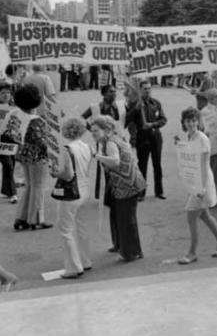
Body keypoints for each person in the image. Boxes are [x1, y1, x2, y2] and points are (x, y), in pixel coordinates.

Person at [175, 108, 217, 264]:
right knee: (205, 216)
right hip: (196, 183)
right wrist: (179, 145)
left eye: (194, 120)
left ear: (198, 121)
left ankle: (192, 252)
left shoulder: (202, 139)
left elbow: (204, 164)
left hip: (202, 183)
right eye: (188, 121)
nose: (191, 123)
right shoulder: (191, 137)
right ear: (184, 123)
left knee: (191, 217)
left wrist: (201, 188)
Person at [91, 115, 145, 262]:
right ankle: (120, 245)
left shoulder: (110, 143)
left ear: (106, 130)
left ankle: (132, 252)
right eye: (92, 131)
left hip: (127, 185)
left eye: (96, 131)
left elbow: (115, 161)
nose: (93, 134)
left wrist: (97, 156)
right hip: (125, 183)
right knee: (117, 216)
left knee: (125, 218)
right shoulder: (112, 139)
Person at [52, 117, 93, 279]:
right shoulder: (87, 147)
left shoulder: (67, 148)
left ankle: (73, 267)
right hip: (84, 189)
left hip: (71, 193)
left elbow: (68, 175)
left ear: (67, 131)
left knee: (65, 229)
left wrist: (55, 173)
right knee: (81, 227)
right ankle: (85, 260)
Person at [9, 84, 52, 231]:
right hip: (37, 156)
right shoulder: (36, 120)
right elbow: (42, 142)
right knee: (38, 187)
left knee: (29, 186)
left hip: (23, 154)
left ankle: (21, 217)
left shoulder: (16, 114)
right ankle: (36, 219)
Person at [128, 80, 167, 200]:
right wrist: (135, 109)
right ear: (140, 90)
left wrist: (152, 125)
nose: (147, 90)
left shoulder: (156, 103)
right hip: (142, 138)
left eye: (149, 88)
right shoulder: (135, 104)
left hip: (156, 137)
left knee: (157, 164)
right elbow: (128, 120)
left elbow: (163, 119)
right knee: (142, 166)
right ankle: (141, 193)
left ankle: (159, 191)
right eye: (145, 88)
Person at [0, 81, 17, 203]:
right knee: (8, 165)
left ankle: (6, 190)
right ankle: (13, 193)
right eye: (2, 93)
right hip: (1, 140)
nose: (6, 95)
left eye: (8, 92)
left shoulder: (15, 107)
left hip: (12, 139)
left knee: (10, 165)